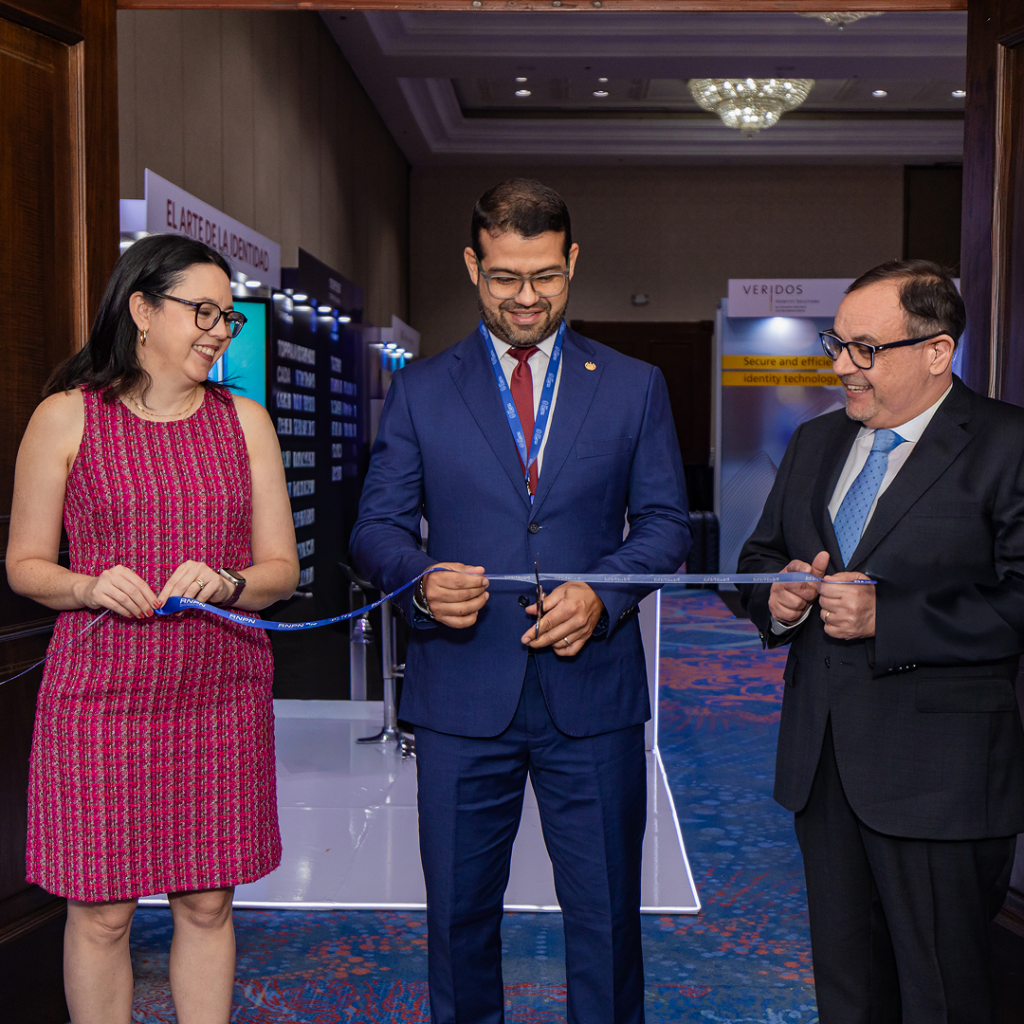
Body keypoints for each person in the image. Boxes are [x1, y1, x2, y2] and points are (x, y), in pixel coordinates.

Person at [350, 178, 690, 1024]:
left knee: (606, 920)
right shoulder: (424, 390)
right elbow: (375, 529)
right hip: (462, 693)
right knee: (458, 920)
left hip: (594, 692)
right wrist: (421, 579)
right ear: (473, 266)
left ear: (572, 261)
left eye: (545, 275)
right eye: (505, 277)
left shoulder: (634, 384)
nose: (527, 297)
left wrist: (602, 593)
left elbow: (664, 525)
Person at [6, 233, 299, 1024]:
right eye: (202, 311)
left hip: (219, 692)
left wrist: (231, 581)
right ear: (141, 308)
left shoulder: (245, 422)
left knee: (207, 904)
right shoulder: (66, 417)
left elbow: (281, 571)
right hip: (98, 699)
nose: (218, 330)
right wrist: (86, 584)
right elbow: (24, 564)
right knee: (101, 912)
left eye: (227, 317)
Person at [737, 259, 1024, 1023]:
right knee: (848, 993)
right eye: (837, 343)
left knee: (942, 996)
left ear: (937, 351)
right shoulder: (815, 441)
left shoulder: (1008, 443)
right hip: (822, 768)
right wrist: (777, 596)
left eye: (865, 348)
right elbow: (758, 557)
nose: (841, 366)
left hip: (941, 783)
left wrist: (887, 617)